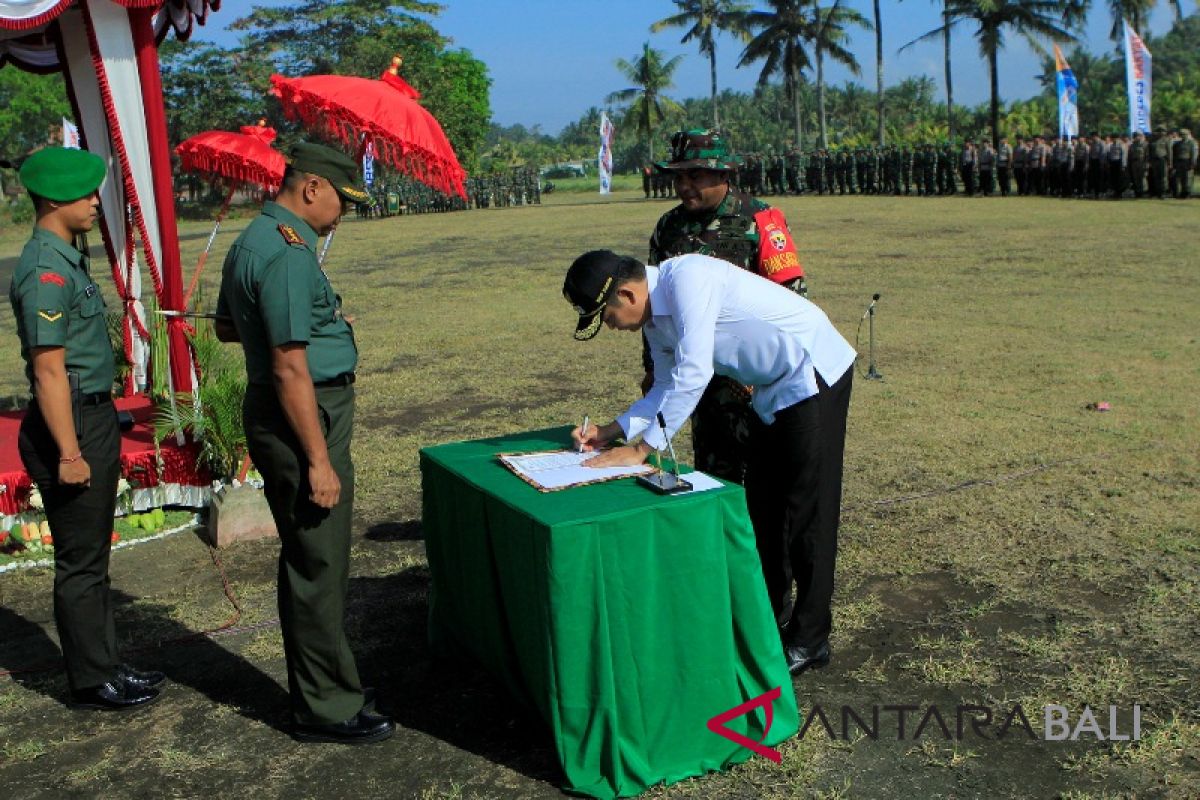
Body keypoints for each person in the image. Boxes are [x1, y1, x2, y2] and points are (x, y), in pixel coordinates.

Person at [563, 250, 855, 676]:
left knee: (808, 510)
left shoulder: (688, 280)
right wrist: (610, 432)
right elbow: (665, 384)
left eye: (606, 316)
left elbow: (694, 372)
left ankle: (811, 640)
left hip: (811, 370)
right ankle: (771, 617)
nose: (609, 327)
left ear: (626, 293)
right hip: (772, 387)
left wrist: (642, 450)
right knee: (764, 506)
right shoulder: (654, 320)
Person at [214, 142, 393, 745]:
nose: (342, 213)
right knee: (319, 560)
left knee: (314, 554)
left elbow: (226, 326)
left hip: (288, 409)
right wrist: (318, 459)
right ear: (311, 187)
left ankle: (330, 682)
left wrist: (320, 327)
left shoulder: (253, 241)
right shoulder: (288, 254)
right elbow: (290, 367)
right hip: (303, 416)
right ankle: (325, 707)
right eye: (342, 200)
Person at [9, 147, 166, 711]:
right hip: (68, 424)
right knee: (80, 561)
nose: (96, 203)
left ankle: (105, 663)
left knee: (94, 554)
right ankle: (90, 679)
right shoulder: (44, 270)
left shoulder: (68, 258)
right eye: (86, 194)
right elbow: (49, 370)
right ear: (53, 200)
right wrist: (69, 453)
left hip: (91, 414)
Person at [646, 129, 807, 486]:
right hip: (697, 377)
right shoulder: (669, 227)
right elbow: (653, 305)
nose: (684, 185)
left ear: (722, 174)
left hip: (756, 380)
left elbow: (793, 299)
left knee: (765, 477)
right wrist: (652, 369)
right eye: (678, 176)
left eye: (695, 175)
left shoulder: (760, 219)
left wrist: (760, 373)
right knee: (714, 474)